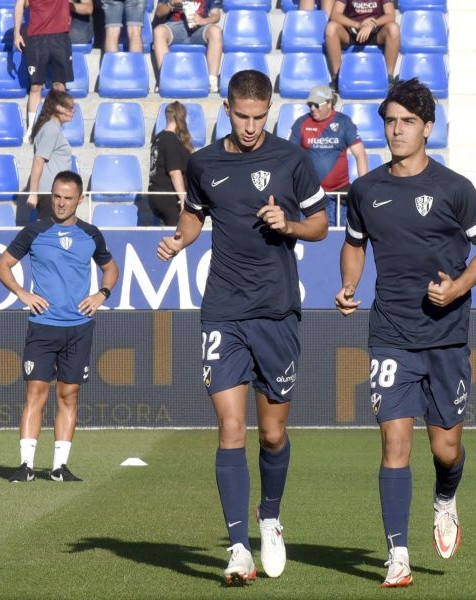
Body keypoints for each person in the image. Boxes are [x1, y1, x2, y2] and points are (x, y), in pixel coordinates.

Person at [157, 70, 328, 585]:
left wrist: (290, 225)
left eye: (259, 117)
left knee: (272, 433)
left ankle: (269, 517)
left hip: (276, 311)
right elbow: (194, 216)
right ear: (227, 109)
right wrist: (181, 240)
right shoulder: (203, 162)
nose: (251, 126)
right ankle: (237, 548)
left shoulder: (291, 160)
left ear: (268, 111)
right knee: (230, 428)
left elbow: (320, 224)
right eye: (241, 116)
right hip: (223, 311)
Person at [335, 78, 476, 588]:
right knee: (394, 447)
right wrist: (348, 283)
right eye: (391, 121)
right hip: (390, 333)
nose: (397, 130)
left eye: (408, 122)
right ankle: (397, 555)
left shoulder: (454, 188)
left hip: (447, 337)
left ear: (428, 129)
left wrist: (457, 289)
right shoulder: (365, 190)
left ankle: (446, 498)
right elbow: (354, 243)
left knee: (446, 449)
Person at [0, 171, 120, 483]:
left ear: (79, 200)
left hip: (79, 328)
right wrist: (23, 293)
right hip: (43, 326)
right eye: (57, 196)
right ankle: (25, 465)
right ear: (52, 196)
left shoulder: (91, 234)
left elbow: (111, 268)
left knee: (69, 394)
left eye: (68, 198)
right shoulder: (34, 231)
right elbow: (2, 264)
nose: (62, 203)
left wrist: (100, 295)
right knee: (35, 391)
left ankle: (58, 468)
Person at [289, 85, 368, 226]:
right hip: (310, 193)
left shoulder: (344, 122)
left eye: (316, 104)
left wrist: (363, 187)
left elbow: (360, 155)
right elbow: (291, 157)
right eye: (310, 104)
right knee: (310, 236)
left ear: (329, 103)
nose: (312, 108)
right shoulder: (301, 123)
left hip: (340, 193)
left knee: (339, 237)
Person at [14, 0, 74, 136]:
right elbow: (19, 4)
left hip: (60, 36)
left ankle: (59, 128)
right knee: (35, 86)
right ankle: (31, 129)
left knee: (60, 85)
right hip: (36, 37)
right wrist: (16, 33)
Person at [153, 0, 223, 94]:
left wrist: (203, 21)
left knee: (216, 31)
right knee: (159, 31)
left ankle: (212, 81)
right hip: (175, 26)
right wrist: (170, 4)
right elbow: (158, 12)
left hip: (200, 27)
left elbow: (216, 15)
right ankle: (165, 79)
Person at [325, 0, 400, 88]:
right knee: (331, 27)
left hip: (375, 33)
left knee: (393, 28)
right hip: (352, 33)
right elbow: (335, 15)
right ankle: (337, 77)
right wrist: (358, 25)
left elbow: (390, 15)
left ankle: (388, 77)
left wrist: (372, 25)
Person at [27, 90, 75, 220]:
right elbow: (38, 160)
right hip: (50, 193)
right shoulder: (51, 129)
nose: (73, 111)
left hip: (54, 192)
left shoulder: (52, 127)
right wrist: (33, 193)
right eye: (70, 107)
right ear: (58, 107)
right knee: (51, 236)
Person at [146, 101, 193, 225]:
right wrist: (183, 198)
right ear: (181, 118)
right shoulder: (171, 140)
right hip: (169, 197)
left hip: (155, 195)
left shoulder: (158, 137)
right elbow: (174, 172)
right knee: (177, 235)